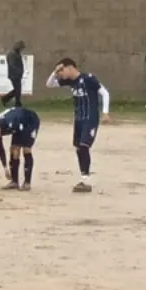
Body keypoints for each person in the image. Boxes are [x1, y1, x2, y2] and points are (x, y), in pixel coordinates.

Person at [46, 58, 112, 193]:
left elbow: (104, 93)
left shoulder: (88, 78)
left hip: (90, 118)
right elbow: (49, 84)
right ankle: (83, 176)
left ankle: (86, 181)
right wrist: (55, 71)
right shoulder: (70, 82)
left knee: (83, 146)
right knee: (78, 148)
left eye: (62, 70)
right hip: (79, 119)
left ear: (70, 67)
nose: (60, 74)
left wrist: (105, 112)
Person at [0, 106, 39, 191]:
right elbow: (1, 148)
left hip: (30, 121)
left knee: (26, 149)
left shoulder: (10, 123)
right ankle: (14, 182)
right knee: (13, 150)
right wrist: (5, 167)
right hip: (18, 125)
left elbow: (22, 134)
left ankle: (27, 183)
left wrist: (20, 144)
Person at [0, 41, 25, 108]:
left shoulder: (17, 53)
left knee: (17, 90)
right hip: (14, 75)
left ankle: (5, 99)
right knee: (18, 90)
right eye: (21, 48)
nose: (22, 50)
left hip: (18, 75)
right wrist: (18, 71)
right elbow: (12, 64)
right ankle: (17, 104)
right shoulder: (12, 54)